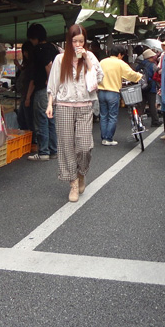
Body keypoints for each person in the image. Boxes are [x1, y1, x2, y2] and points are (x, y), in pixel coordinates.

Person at [45, 24, 104, 202]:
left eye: (81, 41)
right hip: (64, 105)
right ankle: (72, 183)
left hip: (85, 105)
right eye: (74, 41)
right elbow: (53, 84)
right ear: (68, 41)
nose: (78, 44)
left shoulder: (90, 57)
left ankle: (81, 173)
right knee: (66, 145)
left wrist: (86, 59)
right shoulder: (59, 59)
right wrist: (50, 104)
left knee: (85, 146)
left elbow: (99, 79)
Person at [97, 45, 143, 146]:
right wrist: (140, 76)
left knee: (103, 115)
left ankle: (104, 137)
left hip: (101, 91)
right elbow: (130, 74)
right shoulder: (120, 63)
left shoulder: (102, 62)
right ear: (119, 54)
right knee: (112, 116)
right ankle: (108, 139)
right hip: (113, 92)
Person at [26, 24, 59, 161]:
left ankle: (43, 152)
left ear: (35, 38)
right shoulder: (53, 47)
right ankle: (53, 150)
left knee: (42, 121)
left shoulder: (39, 49)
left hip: (43, 90)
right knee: (51, 120)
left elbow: (48, 65)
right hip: (54, 90)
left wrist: (49, 80)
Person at [137, 48, 162, 127]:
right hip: (151, 87)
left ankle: (138, 121)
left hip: (141, 87)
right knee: (152, 105)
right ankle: (155, 121)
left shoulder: (139, 65)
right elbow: (157, 74)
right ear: (150, 57)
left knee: (141, 105)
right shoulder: (153, 65)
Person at [14, 42, 34, 132]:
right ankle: (26, 136)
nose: (25, 54)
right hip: (24, 95)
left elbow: (32, 81)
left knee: (27, 119)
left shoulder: (32, 64)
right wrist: (18, 65)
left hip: (28, 95)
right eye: (24, 52)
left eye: (27, 51)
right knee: (21, 118)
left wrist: (28, 98)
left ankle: (32, 139)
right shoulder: (26, 64)